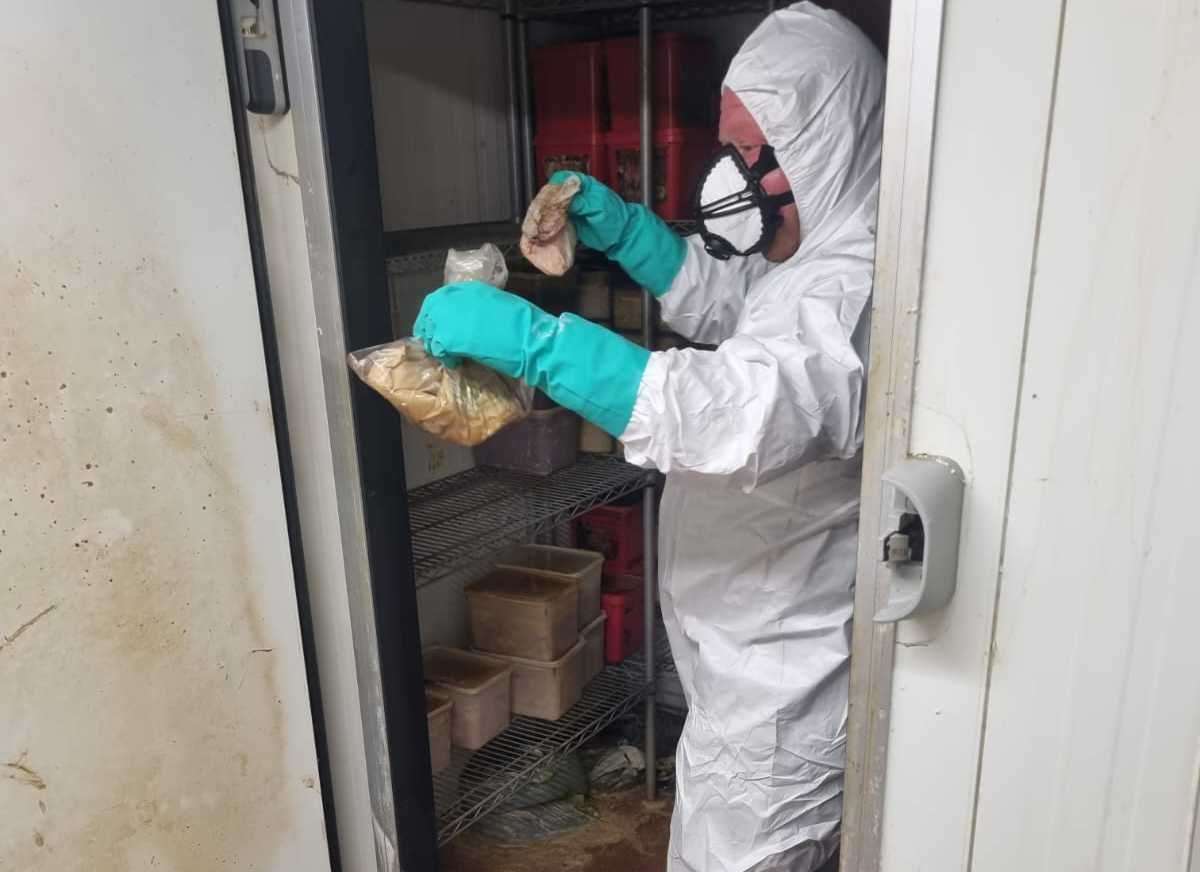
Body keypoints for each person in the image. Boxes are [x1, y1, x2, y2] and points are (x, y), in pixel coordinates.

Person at [415, 4, 884, 869]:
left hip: (781, 688)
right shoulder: (807, 255)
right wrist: (632, 234)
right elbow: (736, 310)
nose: (728, 174)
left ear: (823, 149)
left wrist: (538, 345)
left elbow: (741, 409)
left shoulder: (855, 289)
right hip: (739, 652)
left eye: (752, 155)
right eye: (726, 145)